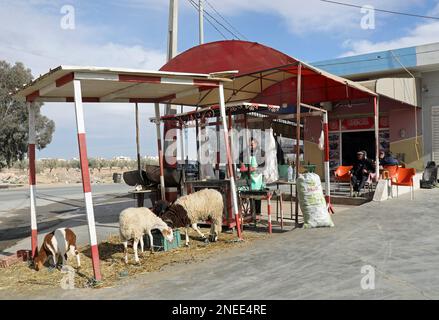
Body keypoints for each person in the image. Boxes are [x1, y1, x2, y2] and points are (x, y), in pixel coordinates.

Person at [239, 138, 264, 215]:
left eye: (252, 144)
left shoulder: (261, 152)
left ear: (256, 144)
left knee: (257, 196)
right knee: (249, 195)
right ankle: (251, 213)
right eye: (249, 144)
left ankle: (257, 213)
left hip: (257, 178)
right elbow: (240, 160)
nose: (251, 146)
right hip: (247, 176)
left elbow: (262, 166)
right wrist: (241, 164)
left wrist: (254, 169)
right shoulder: (245, 152)